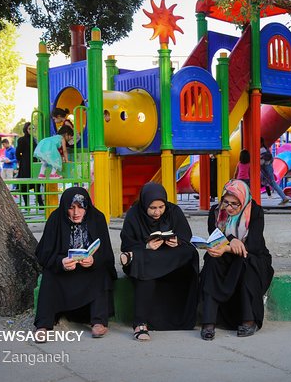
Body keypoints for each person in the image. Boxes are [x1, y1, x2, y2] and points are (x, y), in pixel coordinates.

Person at [34, 187, 117, 341]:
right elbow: (44, 253)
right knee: (49, 275)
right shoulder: (55, 219)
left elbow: (105, 252)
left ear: (87, 207)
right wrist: (61, 262)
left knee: (102, 273)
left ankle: (98, 321)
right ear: (65, 208)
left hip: (89, 269)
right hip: (65, 269)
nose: (76, 213)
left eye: (81, 207)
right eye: (71, 208)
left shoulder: (97, 218)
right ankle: (43, 325)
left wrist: (93, 260)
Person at [119, 182, 199, 341]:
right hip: (147, 258)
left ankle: (138, 257)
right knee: (145, 268)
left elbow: (185, 237)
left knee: (190, 252)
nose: (157, 212)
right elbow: (127, 244)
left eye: (161, 207)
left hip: (165, 258)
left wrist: (177, 242)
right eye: (153, 208)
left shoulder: (173, 211)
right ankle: (140, 323)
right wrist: (146, 246)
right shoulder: (134, 214)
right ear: (144, 204)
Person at [199, 179, 274, 341]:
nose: (229, 208)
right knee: (212, 262)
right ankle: (208, 321)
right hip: (224, 255)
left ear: (243, 201)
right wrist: (230, 240)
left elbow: (253, 245)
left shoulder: (255, 211)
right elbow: (215, 236)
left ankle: (249, 319)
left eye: (235, 204)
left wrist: (227, 246)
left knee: (245, 264)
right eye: (226, 202)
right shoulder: (216, 212)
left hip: (253, 256)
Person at [16, 122, 44, 208]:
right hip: (25, 164)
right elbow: (18, 152)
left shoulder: (35, 139)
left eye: (33, 128)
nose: (31, 130)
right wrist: (21, 160)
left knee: (36, 184)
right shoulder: (21, 140)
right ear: (26, 129)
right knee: (25, 184)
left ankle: (40, 204)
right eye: (29, 128)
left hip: (34, 162)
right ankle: (27, 205)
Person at [260, 138, 291, 205]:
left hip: (266, 168)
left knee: (272, 183)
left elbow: (261, 162)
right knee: (272, 183)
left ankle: (284, 198)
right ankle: (283, 198)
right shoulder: (266, 149)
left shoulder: (262, 150)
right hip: (268, 167)